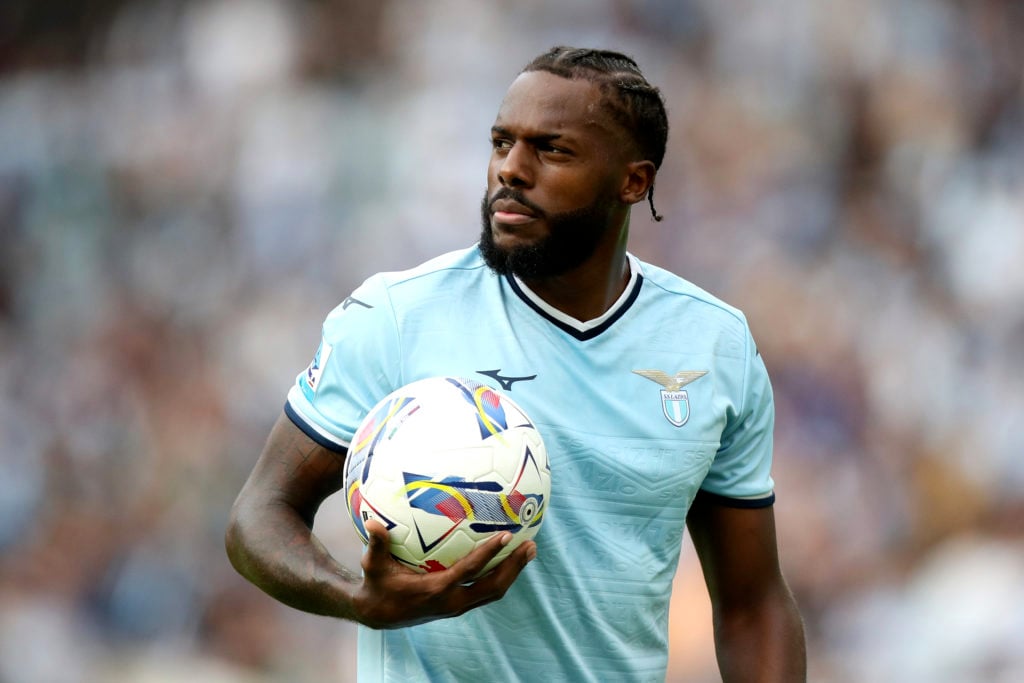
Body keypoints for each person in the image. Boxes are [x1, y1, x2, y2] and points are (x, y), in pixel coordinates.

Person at [226, 46, 806, 682]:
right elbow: (259, 515)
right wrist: (356, 600)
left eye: (552, 150)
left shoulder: (711, 346)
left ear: (633, 181)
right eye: (502, 143)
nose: (512, 170)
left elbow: (754, 605)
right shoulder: (395, 317)